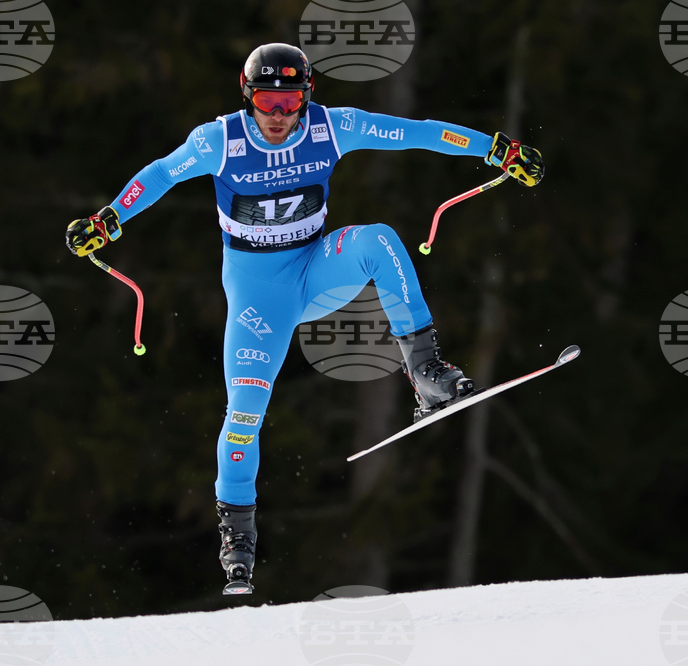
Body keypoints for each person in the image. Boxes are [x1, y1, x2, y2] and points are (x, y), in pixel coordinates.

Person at [65, 43, 544, 594]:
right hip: (257, 303)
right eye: (267, 99)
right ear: (247, 98)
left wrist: (497, 150)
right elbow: (161, 173)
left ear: (306, 98)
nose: (278, 113)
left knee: (379, 242)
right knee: (243, 417)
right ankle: (237, 541)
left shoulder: (331, 128)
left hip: (316, 272)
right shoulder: (218, 140)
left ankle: (427, 373)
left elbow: (420, 131)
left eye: (289, 100)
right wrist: (109, 218)